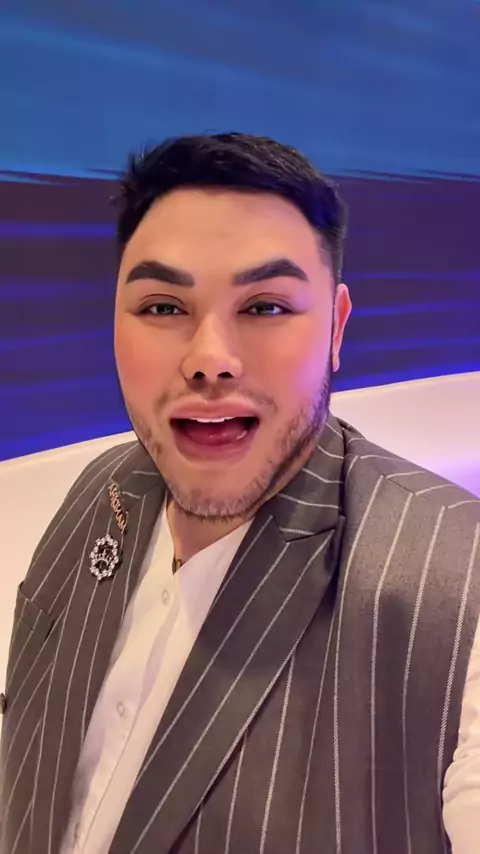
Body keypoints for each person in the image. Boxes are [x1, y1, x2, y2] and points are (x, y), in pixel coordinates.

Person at [0, 133, 478, 854]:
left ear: (336, 328)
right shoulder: (101, 489)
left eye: (266, 308)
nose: (210, 360)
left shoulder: (458, 580)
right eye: (164, 308)